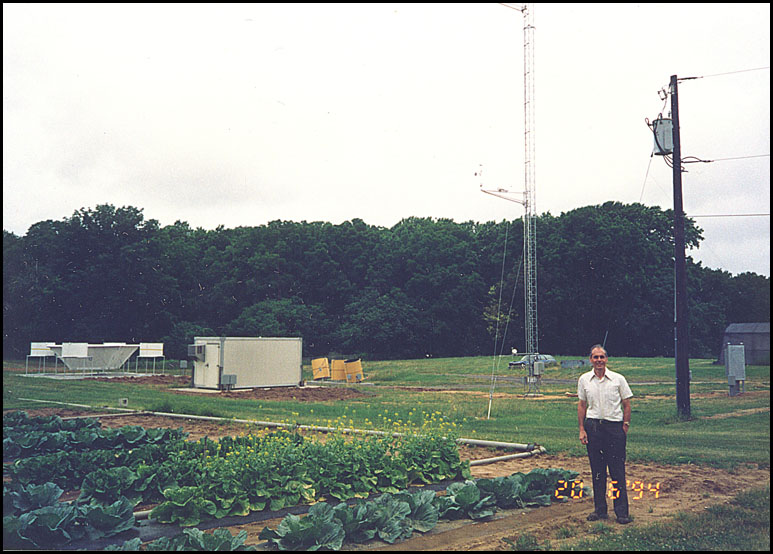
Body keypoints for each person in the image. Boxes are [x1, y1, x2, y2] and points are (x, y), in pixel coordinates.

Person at [577, 344, 633, 524]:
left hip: (614, 429)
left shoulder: (618, 379)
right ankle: (600, 511)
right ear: (590, 360)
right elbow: (582, 405)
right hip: (593, 428)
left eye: (602, 357)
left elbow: (626, 404)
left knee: (617, 472)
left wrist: (624, 426)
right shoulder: (584, 380)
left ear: (606, 359)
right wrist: (581, 429)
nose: (599, 360)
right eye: (595, 357)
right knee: (598, 472)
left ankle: (622, 513)